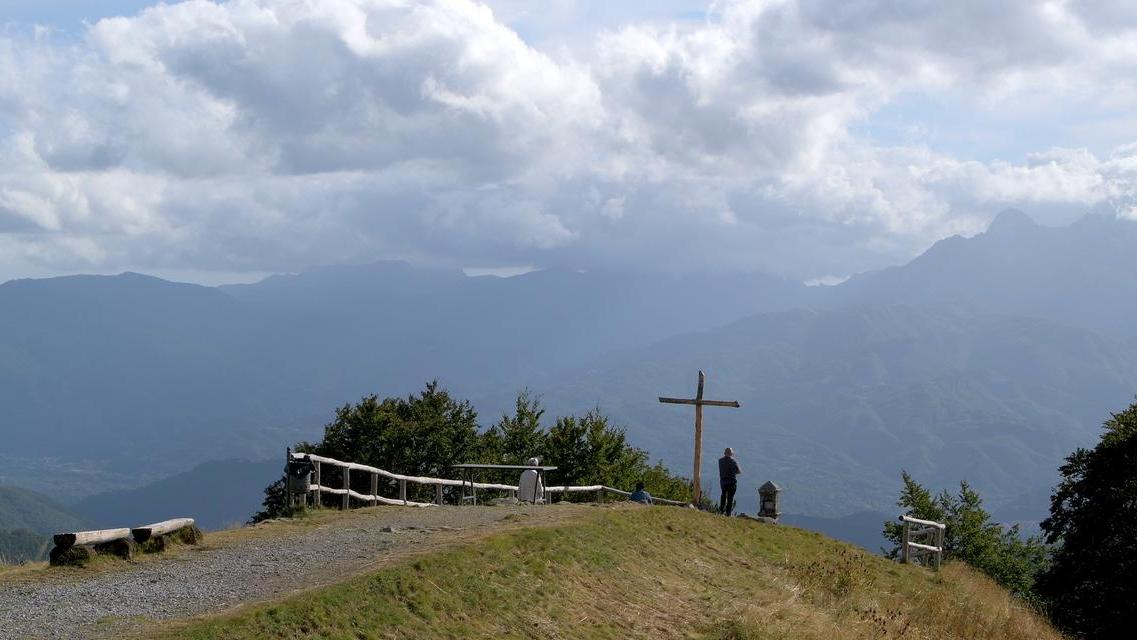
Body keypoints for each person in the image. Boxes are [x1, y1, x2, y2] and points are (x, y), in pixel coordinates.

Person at [718, 447, 741, 516]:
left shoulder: (720, 461)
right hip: (732, 482)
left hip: (723, 482)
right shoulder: (733, 461)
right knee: (730, 498)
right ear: (731, 454)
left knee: (723, 495)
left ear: (724, 453)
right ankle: (728, 513)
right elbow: (739, 471)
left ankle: (721, 510)